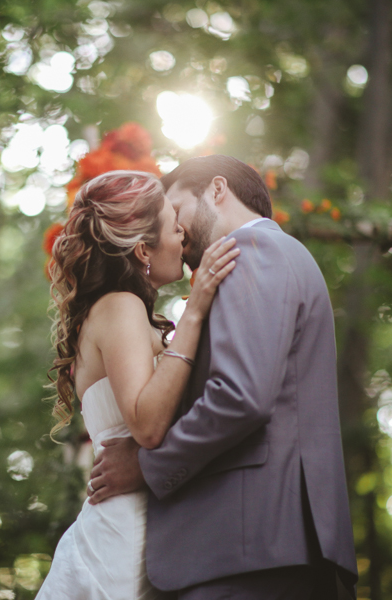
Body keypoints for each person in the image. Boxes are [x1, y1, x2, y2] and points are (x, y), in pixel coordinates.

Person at [87, 155, 359, 599]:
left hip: (251, 548)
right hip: (263, 548)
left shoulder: (251, 250)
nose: (174, 231)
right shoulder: (262, 257)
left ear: (217, 190)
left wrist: (145, 464)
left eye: (176, 212)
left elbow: (239, 396)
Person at [36, 170, 241, 600]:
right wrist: (196, 311)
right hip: (122, 544)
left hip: (146, 529)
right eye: (173, 225)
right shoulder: (120, 306)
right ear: (143, 248)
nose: (183, 232)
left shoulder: (124, 312)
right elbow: (147, 426)